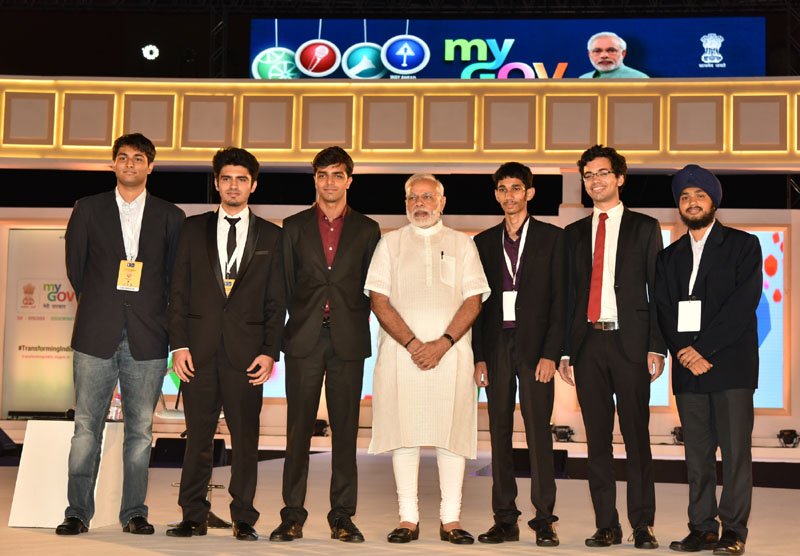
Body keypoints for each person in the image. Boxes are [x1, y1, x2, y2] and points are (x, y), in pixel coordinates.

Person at [58, 133, 184, 536]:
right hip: (96, 333)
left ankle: (135, 512)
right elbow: (76, 269)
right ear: (113, 164)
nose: (130, 164)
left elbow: (173, 279)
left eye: (138, 158)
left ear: (151, 166)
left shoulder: (171, 216)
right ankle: (77, 511)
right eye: (123, 158)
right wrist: (104, 304)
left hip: (148, 336)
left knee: (140, 431)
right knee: (85, 428)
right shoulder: (88, 209)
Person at [166, 147, 285, 541]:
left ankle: (244, 517)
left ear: (254, 184)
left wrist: (270, 351)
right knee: (197, 439)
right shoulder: (191, 228)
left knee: (246, 441)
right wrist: (178, 345)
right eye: (227, 178)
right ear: (217, 183)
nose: (234, 185)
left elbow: (275, 301)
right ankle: (193, 515)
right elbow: (178, 293)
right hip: (196, 354)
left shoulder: (273, 235)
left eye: (242, 179)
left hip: (248, 356)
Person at [365, 174, 490, 545]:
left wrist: (443, 343)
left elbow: (474, 299)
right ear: (405, 203)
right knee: (405, 435)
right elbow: (378, 299)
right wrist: (413, 344)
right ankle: (408, 518)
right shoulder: (389, 244)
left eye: (427, 197)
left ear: (442, 202)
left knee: (451, 435)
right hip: (402, 357)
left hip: (450, 357)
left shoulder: (462, 244)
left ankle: (450, 520)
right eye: (413, 197)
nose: (420, 203)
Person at [270, 146, 380, 543]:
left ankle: (342, 517)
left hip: (348, 341)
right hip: (303, 340)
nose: (330, 182)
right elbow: (282, 285)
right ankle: (292, 515)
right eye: (322, 175)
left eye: (337, 175)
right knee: (297, 432)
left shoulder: (368, 230)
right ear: (314, 180)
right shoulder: (293, 226)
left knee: (346, 433)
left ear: (349, 180)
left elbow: (374, 288)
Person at [558, 145, 665, 549]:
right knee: (597, 440)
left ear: (620, 178)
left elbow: (659, 292)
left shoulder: (645, 227)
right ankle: (607, 524)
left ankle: (642, 524)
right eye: (588, 175)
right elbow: (569, 297)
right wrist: (567, 350)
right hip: (588, 346)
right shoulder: (573, 234)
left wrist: (657, 346)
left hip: (630, 343)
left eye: (602, 173)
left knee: (637, 437)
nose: (595, 181)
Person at [655, 165, 761, 556]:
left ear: (713, 201)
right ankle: (702, 528)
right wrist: (685, 352)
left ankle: (734, 530)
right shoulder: (668, 258)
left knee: (735, 455)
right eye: (684, 197)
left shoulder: (743, 245)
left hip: (730, 367)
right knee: (697, 456)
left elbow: (741, 305)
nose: (691, 202)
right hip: (688, 371)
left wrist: (703, 349)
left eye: (699, 195)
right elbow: (665, 311)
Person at [472, 162, 566, 547]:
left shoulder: (552, 239)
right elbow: (476, 304)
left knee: (538, 434)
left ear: (530, 192)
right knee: (498, 434)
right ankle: (505, 518)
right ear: (496, 194)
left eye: (516, 188)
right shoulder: (481, 242)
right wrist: (478, 356)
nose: (509, 195)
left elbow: (562, 301)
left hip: (535, 350)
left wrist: (551, 353)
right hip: (495, 347)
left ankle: (544, 519)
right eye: (502, 189)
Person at [579, 32, 649, 78]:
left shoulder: (640, 79)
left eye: (611, 50)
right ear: (589, 55)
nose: (604, 55)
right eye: (597, 51)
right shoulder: (582, 80)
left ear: (623, 54)